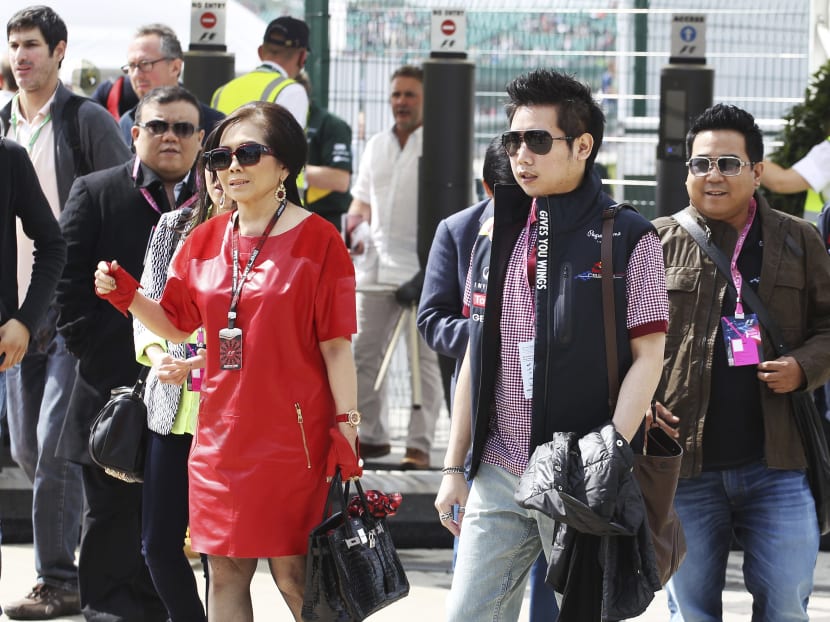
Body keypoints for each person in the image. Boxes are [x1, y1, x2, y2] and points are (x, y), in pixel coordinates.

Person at [93, 100, 361, 622]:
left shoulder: (320, 240)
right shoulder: (204, 239)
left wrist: (347, 426)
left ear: (284, 164)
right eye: (220, 156)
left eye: (249, 153)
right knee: (225, 573)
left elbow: (336, 346)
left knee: (294, 574)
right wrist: (128, 296)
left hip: (294, 439)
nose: (232, 167)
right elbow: (177, 325)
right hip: (219, 438)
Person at [434, 68, 667, 621]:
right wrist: (451, 468)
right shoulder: (495, 234)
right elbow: (477, 351)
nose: (521, 155)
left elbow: (649, 354)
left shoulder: (629, 234)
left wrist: (612, 450)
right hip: (496, 467)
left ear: (583, 145)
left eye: (538, 140)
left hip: (579, 474)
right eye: (512, 140)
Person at [651, 103, 830, 622]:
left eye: (729, 163)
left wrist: (803, 367)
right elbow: (619, 343)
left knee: (785, 608)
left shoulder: (801, 239)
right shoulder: (655, 242)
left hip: (777, 464)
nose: (713, 175)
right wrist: (636, 407)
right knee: (692, 612)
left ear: (756, 171)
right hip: (683, 468)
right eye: (701, 163)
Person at [56, 85, 205, 621]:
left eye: (184, 128)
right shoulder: (96, 191)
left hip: (191, 396)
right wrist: (103, 360)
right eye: (159, 126)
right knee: (110, 514)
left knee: (165, 523)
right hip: (113, 389)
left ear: (201, 139)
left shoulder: (214, 206)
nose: (171, 137)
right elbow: (68, 286)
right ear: (135, 133)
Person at [1, 6, 131, 619]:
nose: (22, 57)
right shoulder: (3, 126)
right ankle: (94, 553)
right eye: (15, 47)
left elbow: (115, 204)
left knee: (53, 450)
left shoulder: (86, 122)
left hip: (71, 312)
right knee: (29, 451)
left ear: (59, 52)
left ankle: (59, 579)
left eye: (32, 46)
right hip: (16, 313)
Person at [418, 135, 560, 620]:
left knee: (555, 592)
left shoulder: (572, 231)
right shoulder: (461, 231)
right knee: (476, 595)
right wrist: (488, 335)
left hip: (559, 450)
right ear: (488, 186)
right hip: (488, 428)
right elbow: (431, 318)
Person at [132, 147, 231, 622]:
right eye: (213, 160)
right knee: (157, 543)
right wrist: (160, 358)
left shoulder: (269, 234)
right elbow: (146, 303)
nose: (222, 173)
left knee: (222, 554)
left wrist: (199, 363)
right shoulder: (173, 226)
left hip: (232, 414)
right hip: (170, 407)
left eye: (240, 158)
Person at [347, 64, 444, 469]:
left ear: (426, 100)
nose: (401, 102)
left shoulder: (438, 145)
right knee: (363, 354)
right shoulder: (376, 146)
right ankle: (371, 436)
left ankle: (419, 446)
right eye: (396, 95)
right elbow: (361, 203)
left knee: (425, 362)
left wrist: (432, 273)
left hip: (425, 270)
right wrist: (353, 227)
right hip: (377, 267)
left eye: (410, 95)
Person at [118, 23, 224, 145]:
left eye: (145, 64)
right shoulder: (125, 124)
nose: (136, 74)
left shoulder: (214, 124)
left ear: (175, 67)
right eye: (132, 66)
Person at [210, 16, 309, 128]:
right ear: (302, 57)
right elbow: (291, 144)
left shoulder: (222, 91)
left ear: (260, 51)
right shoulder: (292, 91)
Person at [295, 71, 353, 231]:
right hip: (291, 220)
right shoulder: (278, 125)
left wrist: (285, 169)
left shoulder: (331, 124)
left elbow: (340, 180)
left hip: (327, 220)